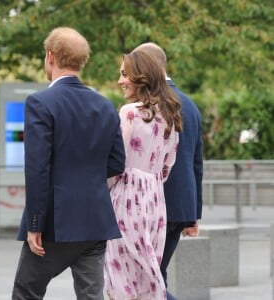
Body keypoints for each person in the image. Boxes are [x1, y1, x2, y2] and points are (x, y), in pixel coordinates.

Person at [12, 27, 126, 300]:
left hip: (55, 222)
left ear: (50, 56)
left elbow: (38, 168)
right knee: (91, 296)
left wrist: (34, 223)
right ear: (81, 61)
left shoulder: (40, 102)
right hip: (95, 220)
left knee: (26, 292)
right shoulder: (105, 105)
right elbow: (117, 162)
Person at [104, 50, 183, 300]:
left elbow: (115, 164)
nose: (120, 81)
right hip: (154, 203)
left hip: (125, 201)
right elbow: (167, 167)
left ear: (142, 77)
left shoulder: (130, 112)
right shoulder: (170, 115)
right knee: (146, 281)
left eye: (125, 74)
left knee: (120, 283)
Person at [135, 42, 203, 300]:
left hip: (155, 205)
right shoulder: (190, 105)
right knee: (155, 275)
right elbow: (197, 163)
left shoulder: (151, 105)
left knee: (149, 279)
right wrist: (194, 213)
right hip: (181, 205)